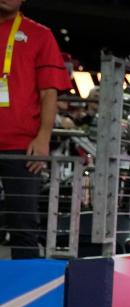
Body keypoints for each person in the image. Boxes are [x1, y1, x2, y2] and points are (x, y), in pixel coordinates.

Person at [0, 0, 71, 260]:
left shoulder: (40, 35)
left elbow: (48, 93)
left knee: (23, 224)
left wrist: (43, 138)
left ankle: (26, 294)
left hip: (23, 146)